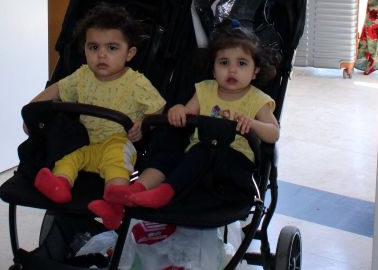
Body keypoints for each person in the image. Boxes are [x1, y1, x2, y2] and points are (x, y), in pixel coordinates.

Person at [104, 25, 280, 209]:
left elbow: (274, 133)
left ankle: (164, 193)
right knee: (169, 154)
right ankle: (136, 189)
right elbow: (187, 114)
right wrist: (178, 110)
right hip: (196, 160)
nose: (232, 70)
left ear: (255, 70)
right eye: (224, 63)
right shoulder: (205, 89)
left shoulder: (258, 100)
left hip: (233, 165)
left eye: (241, 63)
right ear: (213, 69)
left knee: (202, 150)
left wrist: (254, 124)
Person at [27, 4, 166, 229]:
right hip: (85, 140)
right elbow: (57, 89)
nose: (101, 54)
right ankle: (59, 185)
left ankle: (114, 201)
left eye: (112, 47)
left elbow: (157, 108)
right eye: (93, 47)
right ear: (84, 49)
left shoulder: (136, 82)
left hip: (117, 141)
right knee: (67, 156)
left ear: (129, 53)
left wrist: (142, 124)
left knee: (117, 161)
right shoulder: (82, 76)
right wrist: (31, 111)